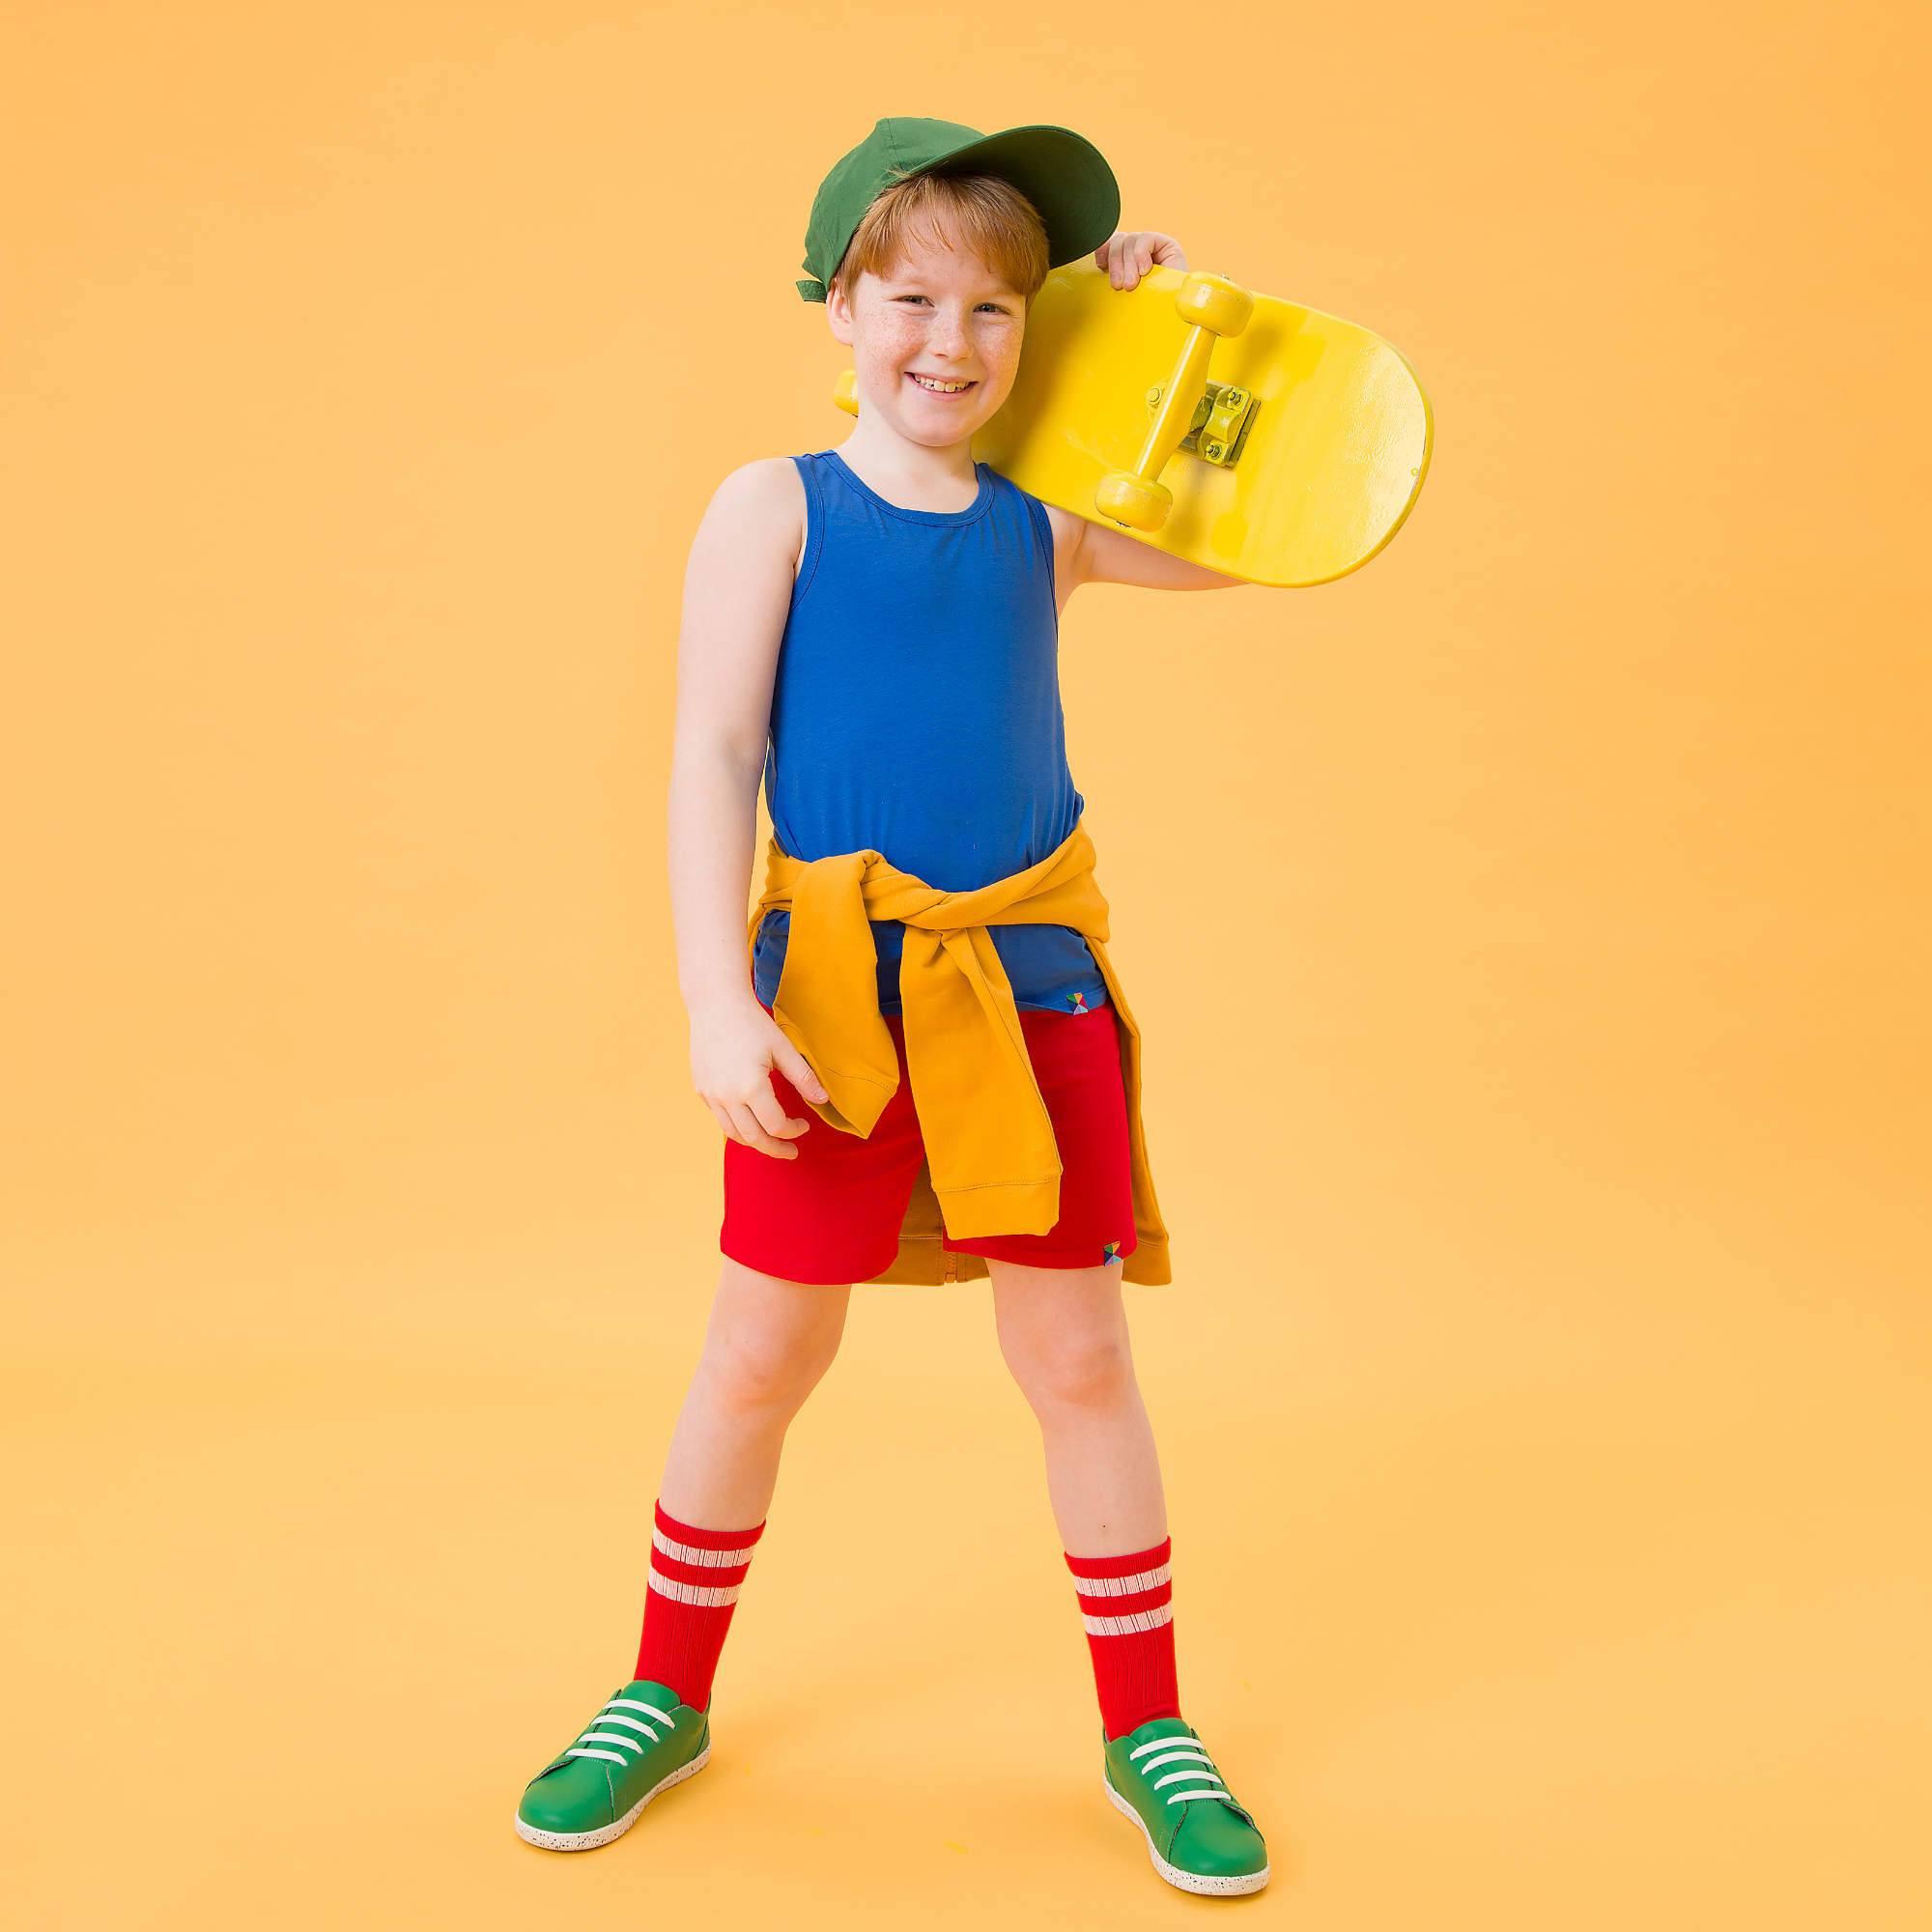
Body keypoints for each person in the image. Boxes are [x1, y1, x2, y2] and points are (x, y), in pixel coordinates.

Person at [514, 117, 1269, 1898]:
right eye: (912, 296)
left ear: (1033, 336)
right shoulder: (775, 504)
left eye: (1000, 310)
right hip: (835, 995)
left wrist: (1152, 343)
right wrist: (718, 1000)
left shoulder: (1047, 525)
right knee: (761, 1351)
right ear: (839, 305)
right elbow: (711, 752)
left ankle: (1147, 1722)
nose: (953, 339)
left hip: (1031, 988)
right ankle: (660, 1689)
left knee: (1077, 1357)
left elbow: (1246, 545)